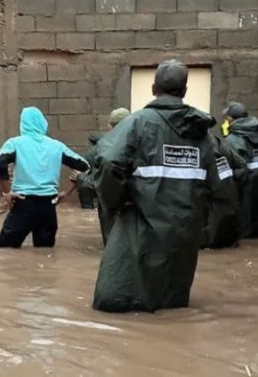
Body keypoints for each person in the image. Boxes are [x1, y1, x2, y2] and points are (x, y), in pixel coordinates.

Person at [92, 60, 224, 313]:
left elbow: (108, 161)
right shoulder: (202, 134)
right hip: (185, 228)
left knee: (116, 300)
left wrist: (113, 202)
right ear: (184, 91)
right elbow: (218, 183)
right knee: (170, 303)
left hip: (142, 221)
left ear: (154, 89)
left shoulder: (138, 123)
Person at [0, 106, 89, 248]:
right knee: (45, 254)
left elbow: (0, 163)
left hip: (23, 205)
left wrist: (7, 193)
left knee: (5, 251)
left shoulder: (15, 143)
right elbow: (85, 167)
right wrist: (67, 192)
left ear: (23, 124)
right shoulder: (57, 146)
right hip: (48, 208)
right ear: (43, 123)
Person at [71, 107, 130, 245]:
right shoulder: (144, 143)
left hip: (112, 203)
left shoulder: (103, 146)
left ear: (110, 126)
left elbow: (95, 180)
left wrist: (80, 178)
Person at [221, 101, 258, 238]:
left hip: (242, 210)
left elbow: (228, 175)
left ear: (229, 120)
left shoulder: (231, 141)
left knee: (244, 240)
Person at [202, 133, 245, 249]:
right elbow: (242, 165)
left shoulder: (197, 145)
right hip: (229, 204)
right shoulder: (218, 143)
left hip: (214, 204)